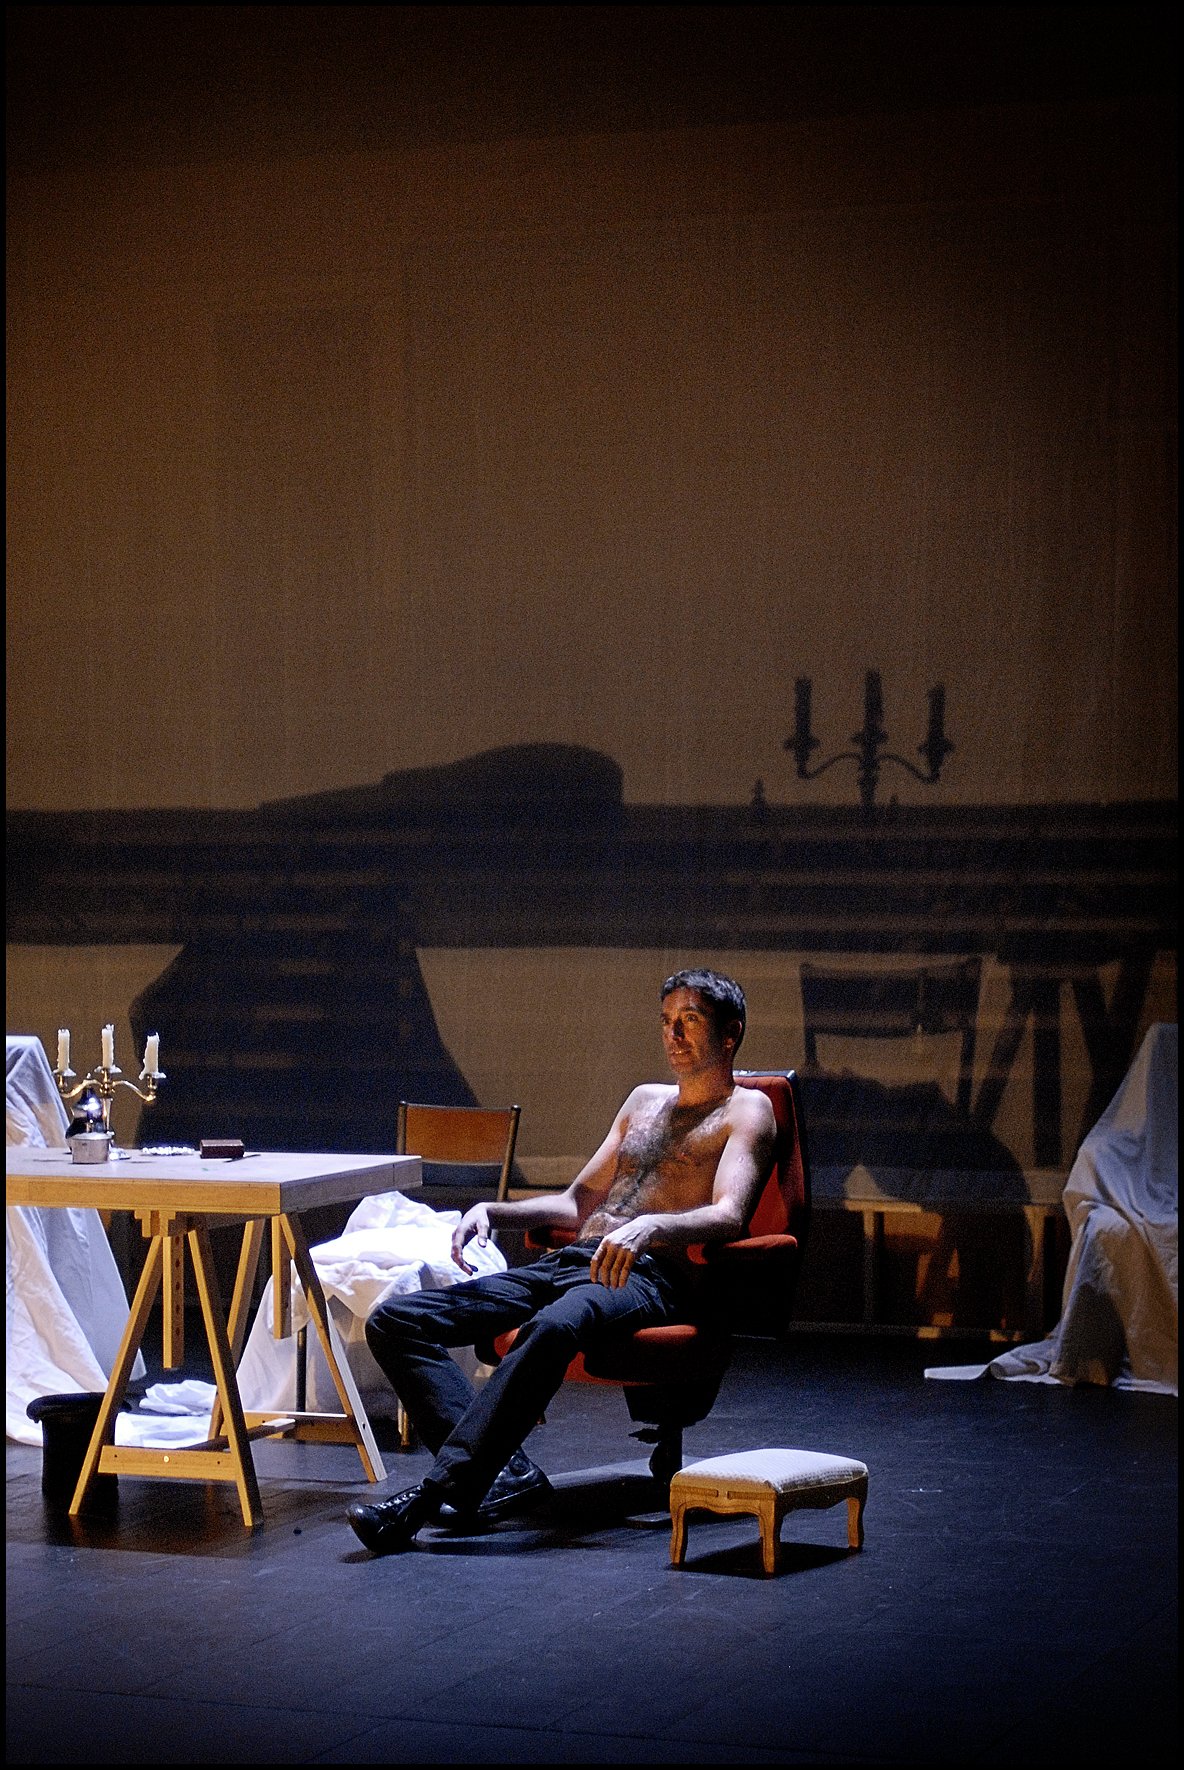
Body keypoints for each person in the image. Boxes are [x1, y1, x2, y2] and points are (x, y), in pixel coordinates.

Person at [347, 968, 776, 1554]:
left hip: (647, 1274)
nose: (673, 1036)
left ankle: (430, 1497)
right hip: (574, 1259)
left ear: (731, 1034)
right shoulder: (644, 1101)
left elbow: (729, 1213)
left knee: (552, 1327)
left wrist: (652, 1226)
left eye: (690, 1021)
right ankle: (506, 1476)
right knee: (396, 1321)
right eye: (667, 1022)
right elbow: (577, 1202)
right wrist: (493, 1211)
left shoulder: (747, 1110)